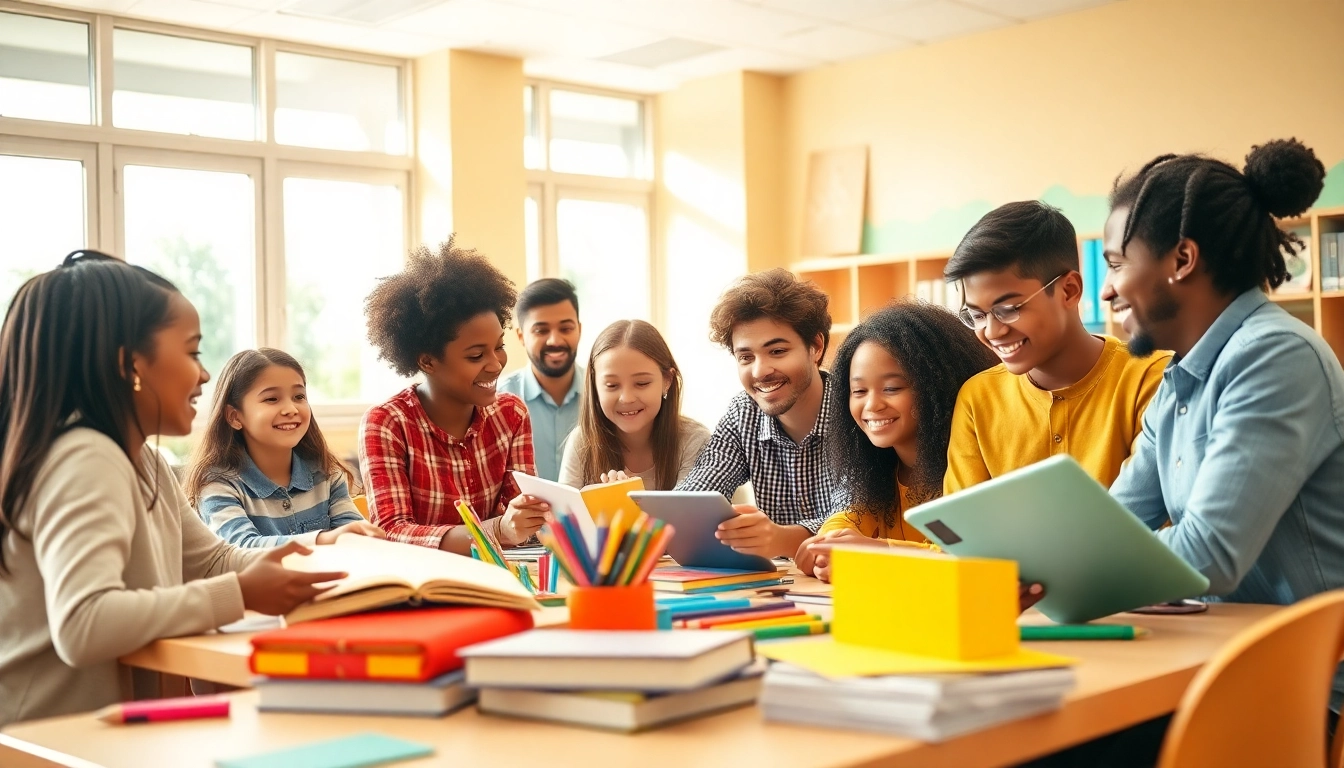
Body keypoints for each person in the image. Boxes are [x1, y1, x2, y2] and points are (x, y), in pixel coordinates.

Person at [0, 252, 344, 726]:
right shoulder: (85, 455)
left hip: (106, 728)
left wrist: (326, 564)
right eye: (191, 352)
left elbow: (212, 561)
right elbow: (84, 623)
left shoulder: (142, 457)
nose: (204, 375)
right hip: (45, 738)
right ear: (131, 365)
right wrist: (241, 593)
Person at [1101, 138, 1343, 750]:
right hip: (1222, 651)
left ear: (1182, 259)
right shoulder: (1180, 376)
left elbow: (1209, 554)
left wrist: (1079, 564)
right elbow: (1111, 523)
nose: (1109, 290)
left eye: (1115, 262)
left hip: (1311, 682)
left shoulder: (1274, 354)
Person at [943, 200, 1169, 494]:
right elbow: (962, 530)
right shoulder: (978, 399)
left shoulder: (1151, 377)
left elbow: (1158, 517)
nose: (992, 331)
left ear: (1069, 290)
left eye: (1009, 308)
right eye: (976, 316)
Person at [360, 238, 547, 554]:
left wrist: (527, 522)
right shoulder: (387, 423)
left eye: (499, 347)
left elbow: (522, 524)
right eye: (476, 356)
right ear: (428, 361)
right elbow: (391, 532)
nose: (496, 364)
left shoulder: (511, 414)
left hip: (499, 580)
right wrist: (497, 530)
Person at [796, 300, 998, 582]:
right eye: (859, 390)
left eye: (891, 388)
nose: (872, 405)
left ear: (937, 386)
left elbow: (965, 558)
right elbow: (851, 516)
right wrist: (827, 543)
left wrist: (879, 552)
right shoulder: (880, 471)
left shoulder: (970, 465)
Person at [676, 269, 838, 558]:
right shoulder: (743, 413)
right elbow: (700, 491)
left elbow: (862, 518)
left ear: (816, 346)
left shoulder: (856, 408)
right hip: (786, 587)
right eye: (746, 357)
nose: (760, 371)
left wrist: (779, 538)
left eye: (776, 351)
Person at [187, 348, 384, 548]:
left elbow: (353, 538)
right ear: (234, 417)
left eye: (299, 396)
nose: (291, 409)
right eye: (271, 399)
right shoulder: (217, 486)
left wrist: (363, 537)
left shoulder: (327, 474)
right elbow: (241, 549)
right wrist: (325, 539)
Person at [559, 320, 710, 490]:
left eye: (642, 383)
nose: (626, 398)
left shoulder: (694, 441)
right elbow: (563, 513)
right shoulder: (582, 441)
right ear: (594, 386)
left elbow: (691, 514)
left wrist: (631, 505)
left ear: (667, 380)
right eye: (612, 386)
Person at [498, 278, 583, 481]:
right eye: (541, 330)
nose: (555, 340)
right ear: (521, 336)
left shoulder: (603, 394)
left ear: (579, 329)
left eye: (566, 328)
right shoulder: (498, 400)